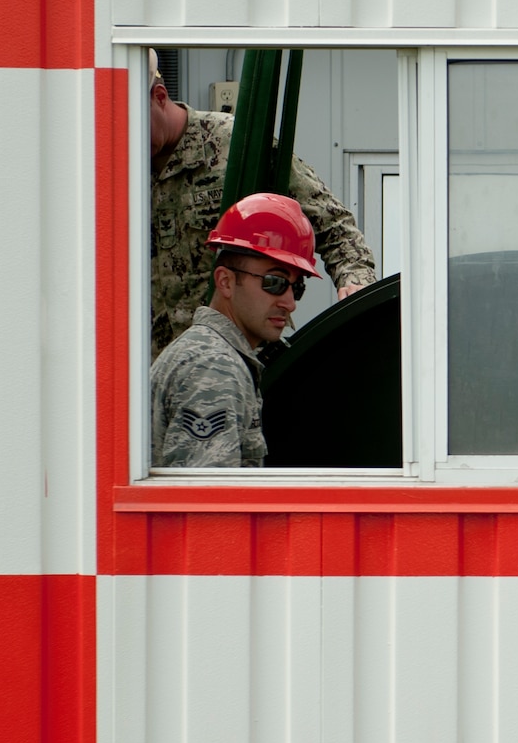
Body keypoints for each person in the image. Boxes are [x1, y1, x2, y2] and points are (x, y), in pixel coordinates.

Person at [148, 49, 376, 356]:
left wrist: (356, 283)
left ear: (159, 97)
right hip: (150, 375)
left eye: (129, 121)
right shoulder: (111, 169)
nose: (121, 136)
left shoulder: (236, 146)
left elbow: (333, 223)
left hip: (239, 361)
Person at [149, 194, 317, 468]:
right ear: (225, 282)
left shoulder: (208, 352)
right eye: (275, 282)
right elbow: (207, 505)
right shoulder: (214, 365)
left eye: (296, 287)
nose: (289, 303)